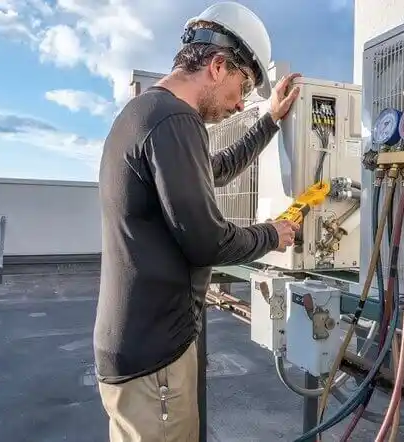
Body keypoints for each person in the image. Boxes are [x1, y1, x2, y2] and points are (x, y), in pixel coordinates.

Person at [94, 2, 302, 441]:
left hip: (135, 348)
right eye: (242, 85)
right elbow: (206, 241)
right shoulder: (174, 120)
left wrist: (269, 123)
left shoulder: (149, 114)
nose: (240, 101)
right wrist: (274, 234)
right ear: (218, 65)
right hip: (155, 362)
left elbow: (216, 167)